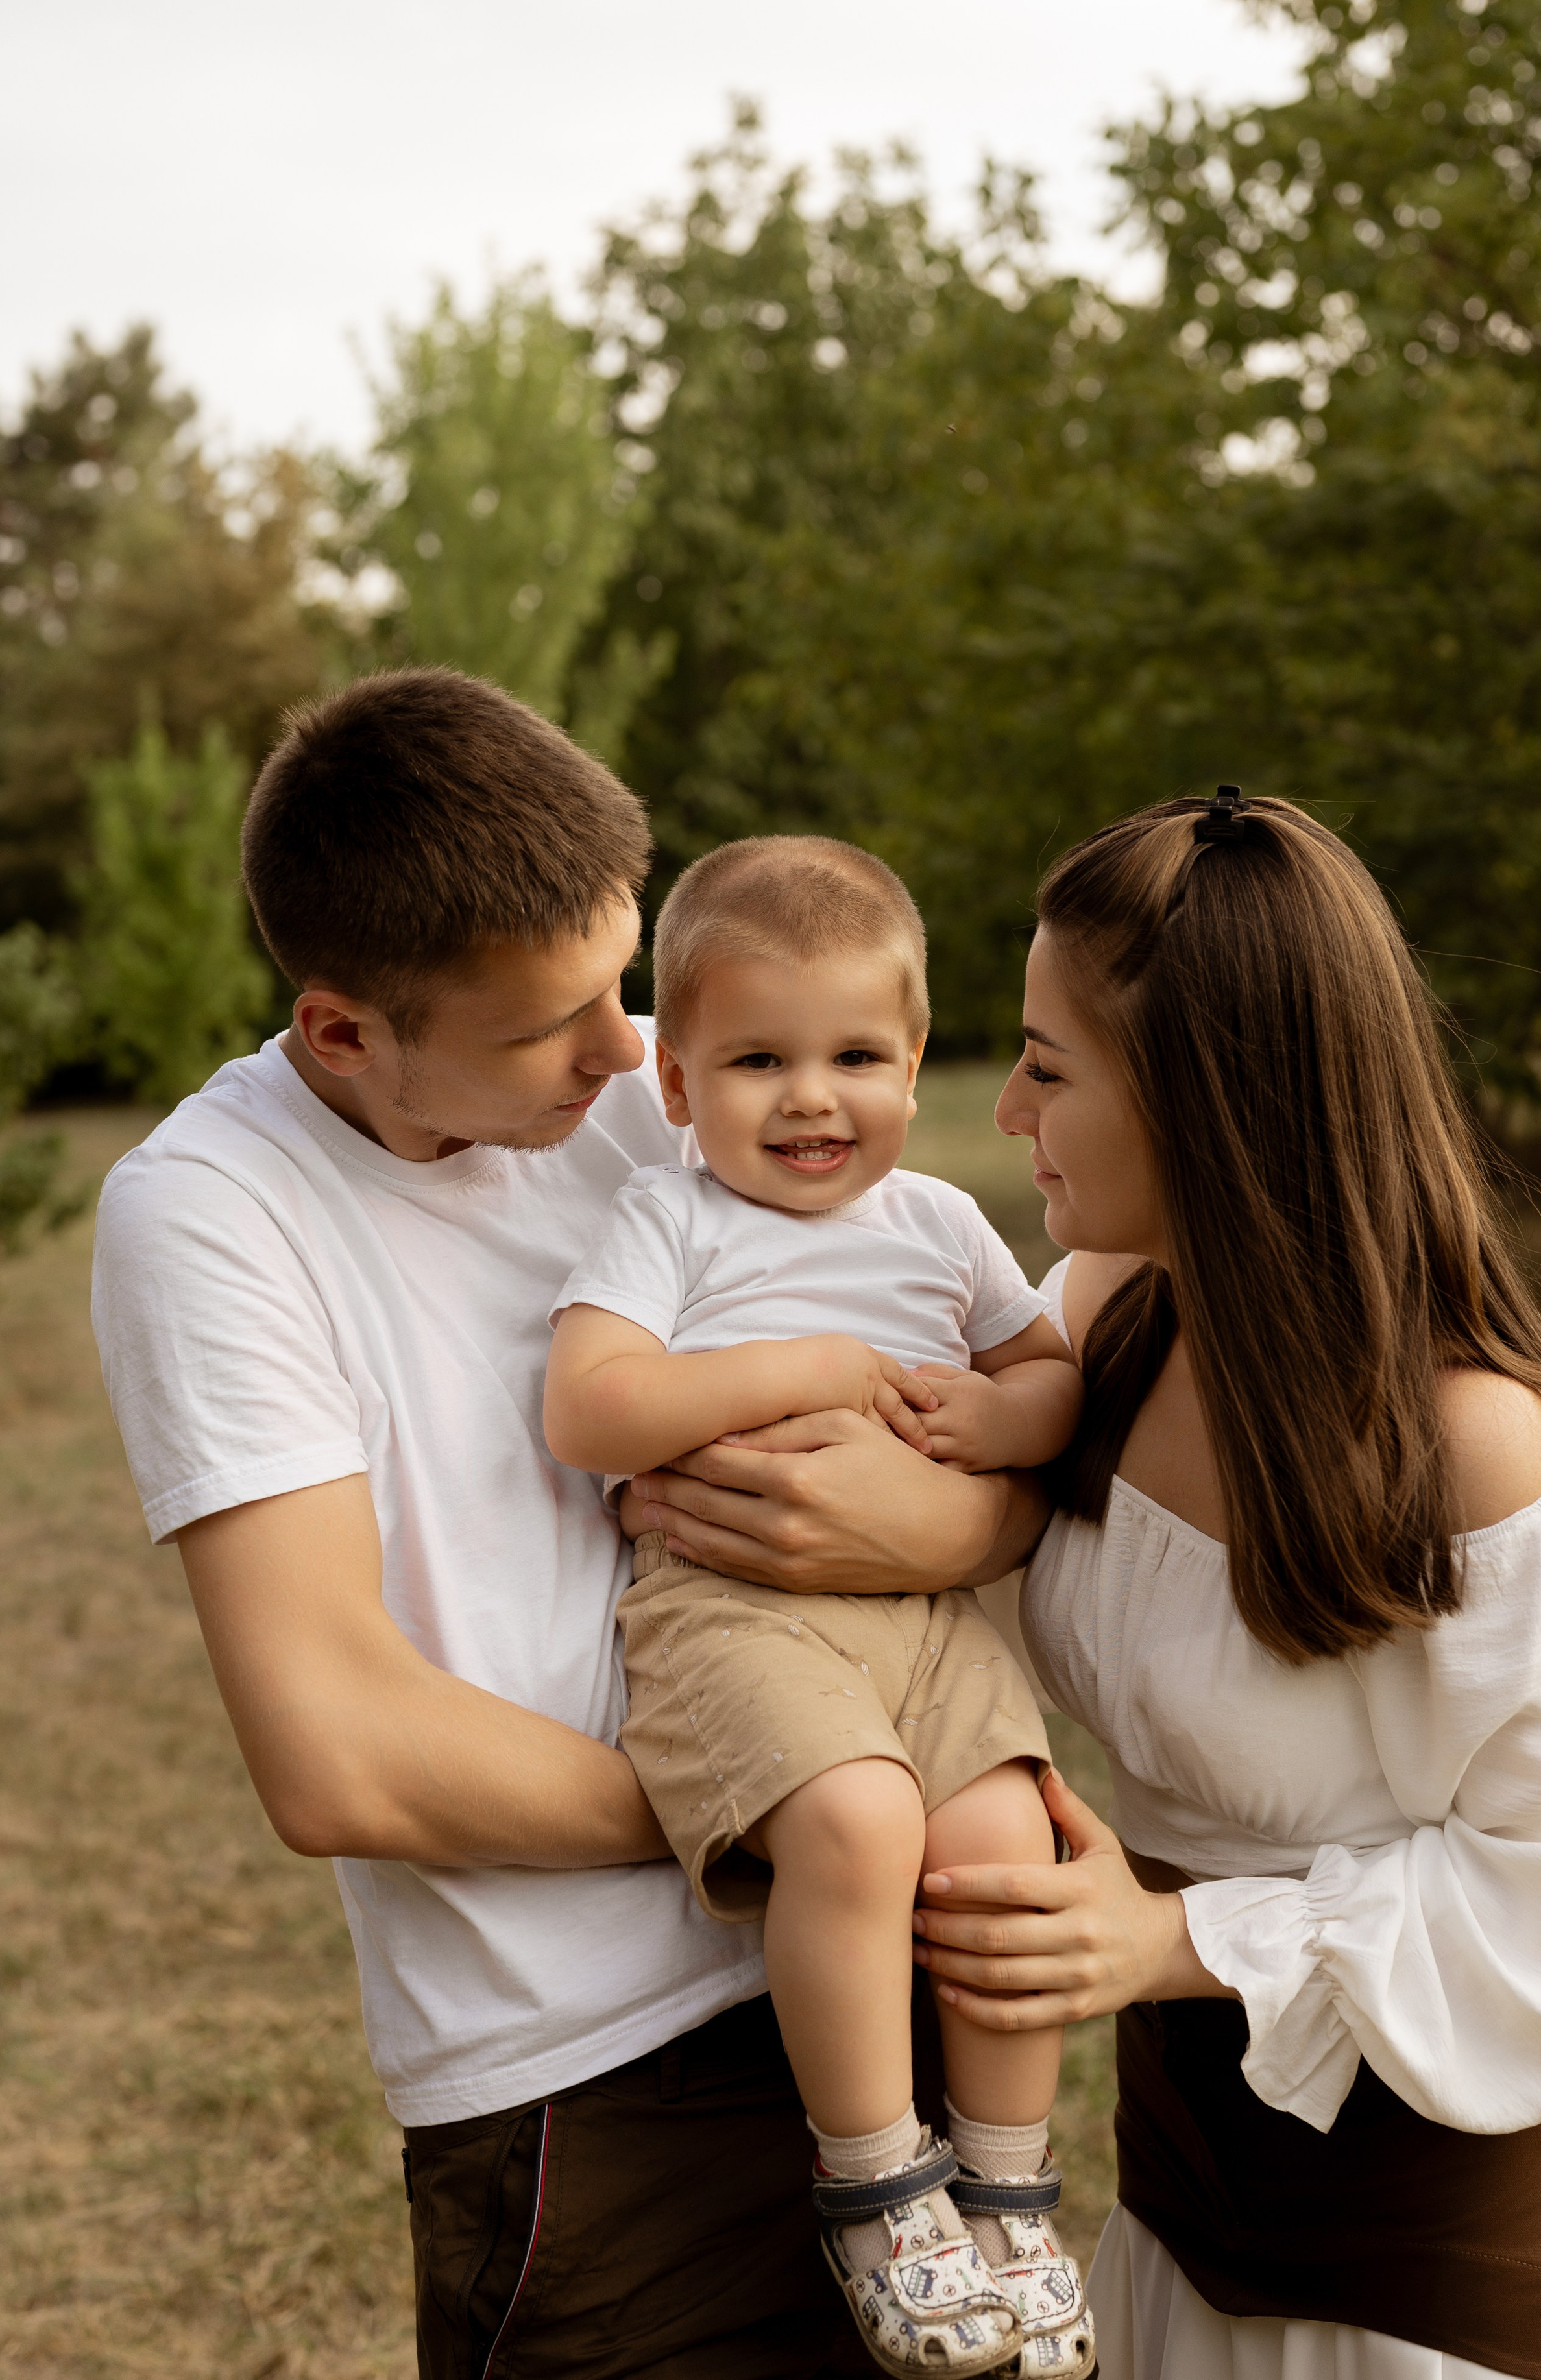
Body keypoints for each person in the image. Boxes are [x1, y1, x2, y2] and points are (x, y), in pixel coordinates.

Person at [90, 669, 1047, 2380]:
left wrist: (949, 1549)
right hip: (586, 2088)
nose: (622, 1055)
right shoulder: (214, 1213)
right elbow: (342, 1756)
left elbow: (979, 1426)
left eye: (621, 984)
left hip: (873, 1999)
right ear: (344, 1034)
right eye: (553, 1023)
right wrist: (814, 1805)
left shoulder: (677, 1084)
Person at [887, 791, 1541, 2380]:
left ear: (1201, 1096)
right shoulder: (1104, 1321)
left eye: (1046, 1065)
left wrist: (1174, 1940)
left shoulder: (1475, 1458)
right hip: (1185, 2211)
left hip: (1433, 2284)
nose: (1008, 1107)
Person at [544, 835, 1093, 2380]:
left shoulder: (939, 1222)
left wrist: (1003, 1419)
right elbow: (589, 1407)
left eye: (854, 1056)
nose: (809, 1098)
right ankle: (876, 2184)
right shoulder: (668, 1219)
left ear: (912, 1066)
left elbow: (1049, 1378)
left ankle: (1005, 2189)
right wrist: (807, 1369)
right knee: (857, 1820)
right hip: (732, 1607)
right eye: (756, 1060)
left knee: (1003, 1843)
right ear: (674, 1082)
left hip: (927, 1615)